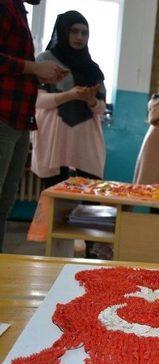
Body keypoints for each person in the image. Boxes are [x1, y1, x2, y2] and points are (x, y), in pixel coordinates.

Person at [0, 0, 67, 252]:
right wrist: (33, 67)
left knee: (5, 203)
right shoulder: (5, 6)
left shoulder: (17, 10)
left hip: (17, 119)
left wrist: (37, 73)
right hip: (4, 117)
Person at [31, 10, 107, 189]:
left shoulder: (92, 68)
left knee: (90, 200)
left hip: (84, 138)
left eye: (84, 32)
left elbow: (101, 108)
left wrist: (91, 101)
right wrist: (70, 95)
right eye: (74, 31)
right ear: (63, 31)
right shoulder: (45, 60)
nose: (79, 37)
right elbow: (37, 101)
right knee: (54, 199)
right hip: (53, 137)